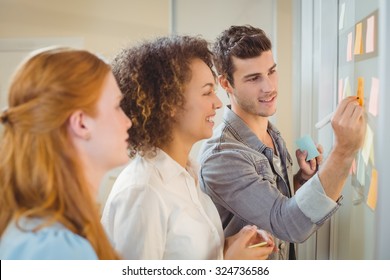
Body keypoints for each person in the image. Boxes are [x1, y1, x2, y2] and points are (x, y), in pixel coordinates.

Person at [199, 25, 366, 260]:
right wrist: (345, 150)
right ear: (226, 84)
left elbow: (276, 204)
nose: (269, 87)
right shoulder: (222, 156)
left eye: (271, 71)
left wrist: (301, 181)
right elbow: (288, 224)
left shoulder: (272, 133)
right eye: (254, 78)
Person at [101, 35, 275, 260]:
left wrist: (228, 247)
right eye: (206, 92)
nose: (218, 102)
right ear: (170, 103)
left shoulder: (187, 174)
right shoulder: (144, 192)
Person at [0, 47, 132, 259]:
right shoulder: (54, 249)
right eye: (117, 106)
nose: (128, 122)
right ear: (81, 123)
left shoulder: (41, 233)